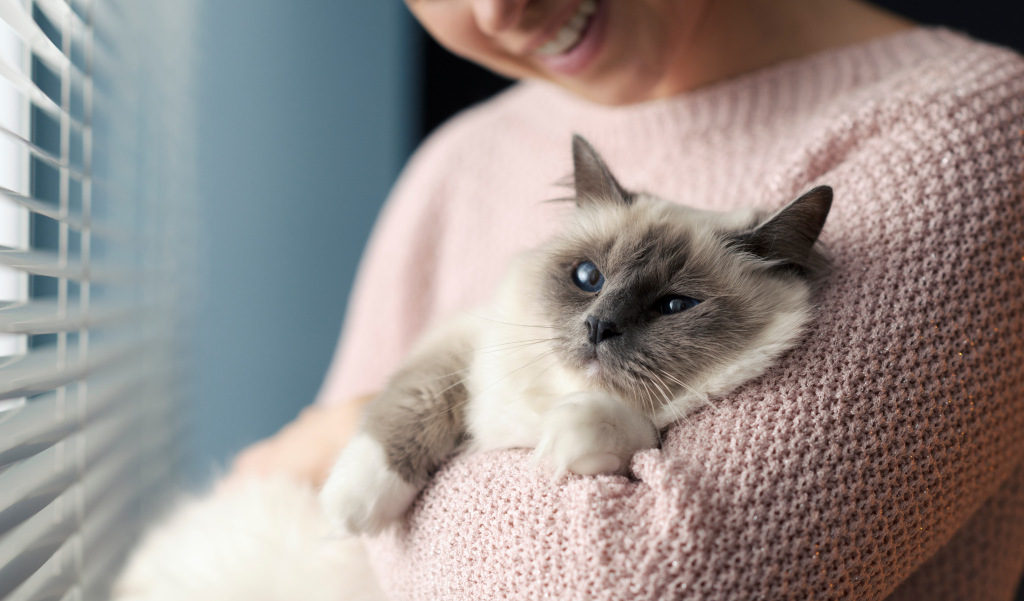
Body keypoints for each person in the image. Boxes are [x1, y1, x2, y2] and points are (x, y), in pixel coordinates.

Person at [229, 0, 1024, 598]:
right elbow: (298, 529)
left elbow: (632, 580)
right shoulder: (459, 163)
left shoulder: (968, 135)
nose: (497, 8)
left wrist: (352, 435)